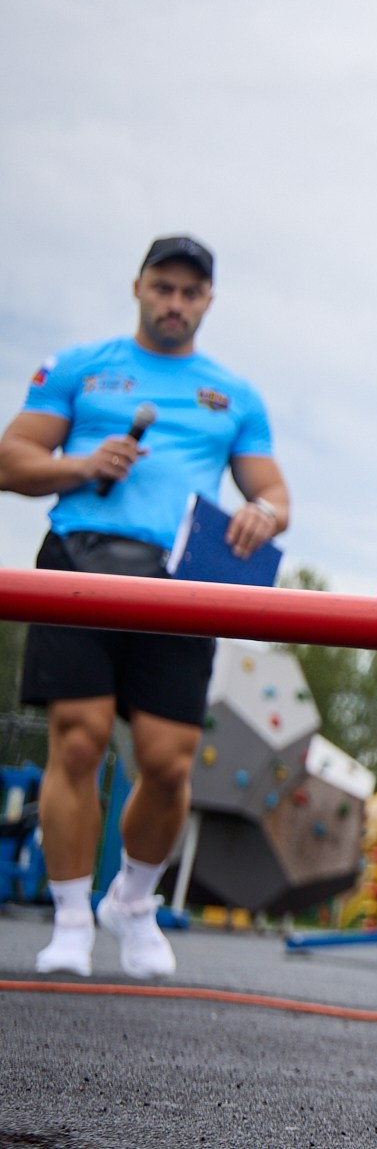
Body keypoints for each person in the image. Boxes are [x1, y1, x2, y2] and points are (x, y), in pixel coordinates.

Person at [0, 235, 288, 980]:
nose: (175, 303)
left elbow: (274, 494)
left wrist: (265, 514)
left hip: (179, 581)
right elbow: (11, 460)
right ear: (138, 287)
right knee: (78, 741)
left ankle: (130, 900)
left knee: (167, 763)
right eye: (164, 287)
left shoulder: (235, 393)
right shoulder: (78, 367)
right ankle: (68, 919)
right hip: (80, 562)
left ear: (209, 302)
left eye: (191, 293)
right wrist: (81, 464)